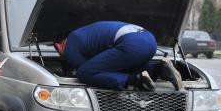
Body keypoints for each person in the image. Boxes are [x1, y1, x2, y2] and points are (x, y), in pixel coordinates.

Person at [54, 21, 182, 91]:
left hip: (132, 44)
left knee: (84, 73)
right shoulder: (85, 34)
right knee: (120, 64)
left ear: (59, 45)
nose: (60, 56)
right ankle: (159, 69)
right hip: (150, 41)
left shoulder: (70, 45)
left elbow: (89, 70)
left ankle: (135, 81)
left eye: (57, 51)